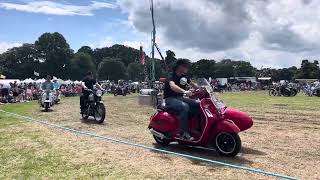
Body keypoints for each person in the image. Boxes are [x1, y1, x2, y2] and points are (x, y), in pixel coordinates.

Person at [163, 59, 199, 141]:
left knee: (198, 104)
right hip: (170, 99)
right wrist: (184, 91)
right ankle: (183, 134)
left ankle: (194, 128)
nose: (187, 68)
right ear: (180, 66)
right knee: (184, 107)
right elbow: (173, 86)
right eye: (185, 66)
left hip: (180, 98)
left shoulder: (184, 77)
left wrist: (202, 89)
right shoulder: (171, 76)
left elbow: (193, 84)